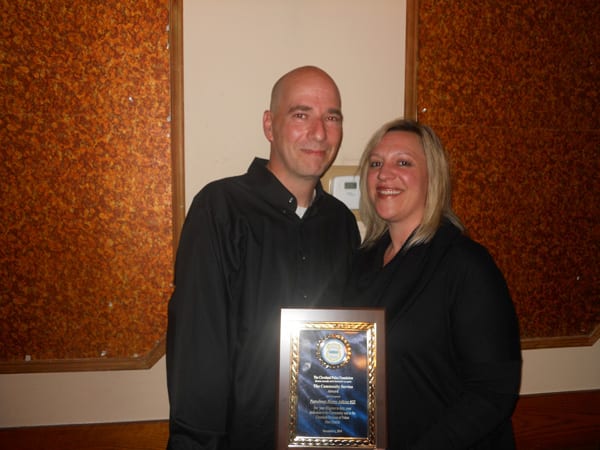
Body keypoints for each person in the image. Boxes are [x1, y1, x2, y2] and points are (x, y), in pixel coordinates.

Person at [166, 66, 361, 450]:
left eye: (331, 117)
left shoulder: (341, 223)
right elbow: (197, 344)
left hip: (323, 436)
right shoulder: (220, 209)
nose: (319, 132)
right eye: (301, 114)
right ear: (269, 125)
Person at [344, 119, 522, 449]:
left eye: (403, 162)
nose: (385, 174)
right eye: (376, 163)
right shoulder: (361, 262)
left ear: (432, 178)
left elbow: (494, 393)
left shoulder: (466, 265)